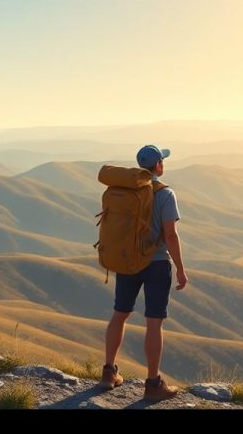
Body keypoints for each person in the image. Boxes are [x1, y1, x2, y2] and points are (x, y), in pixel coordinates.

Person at [98, 144, 188, 401]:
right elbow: (170, 235)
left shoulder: (125, 190)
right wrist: (181, 269)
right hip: (157, 263)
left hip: (128, 261)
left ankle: (108, 373)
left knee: (120, 314)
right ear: (158, 165)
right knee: (153, 322)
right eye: (163, 161)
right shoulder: (165, 194)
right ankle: (152, 384)